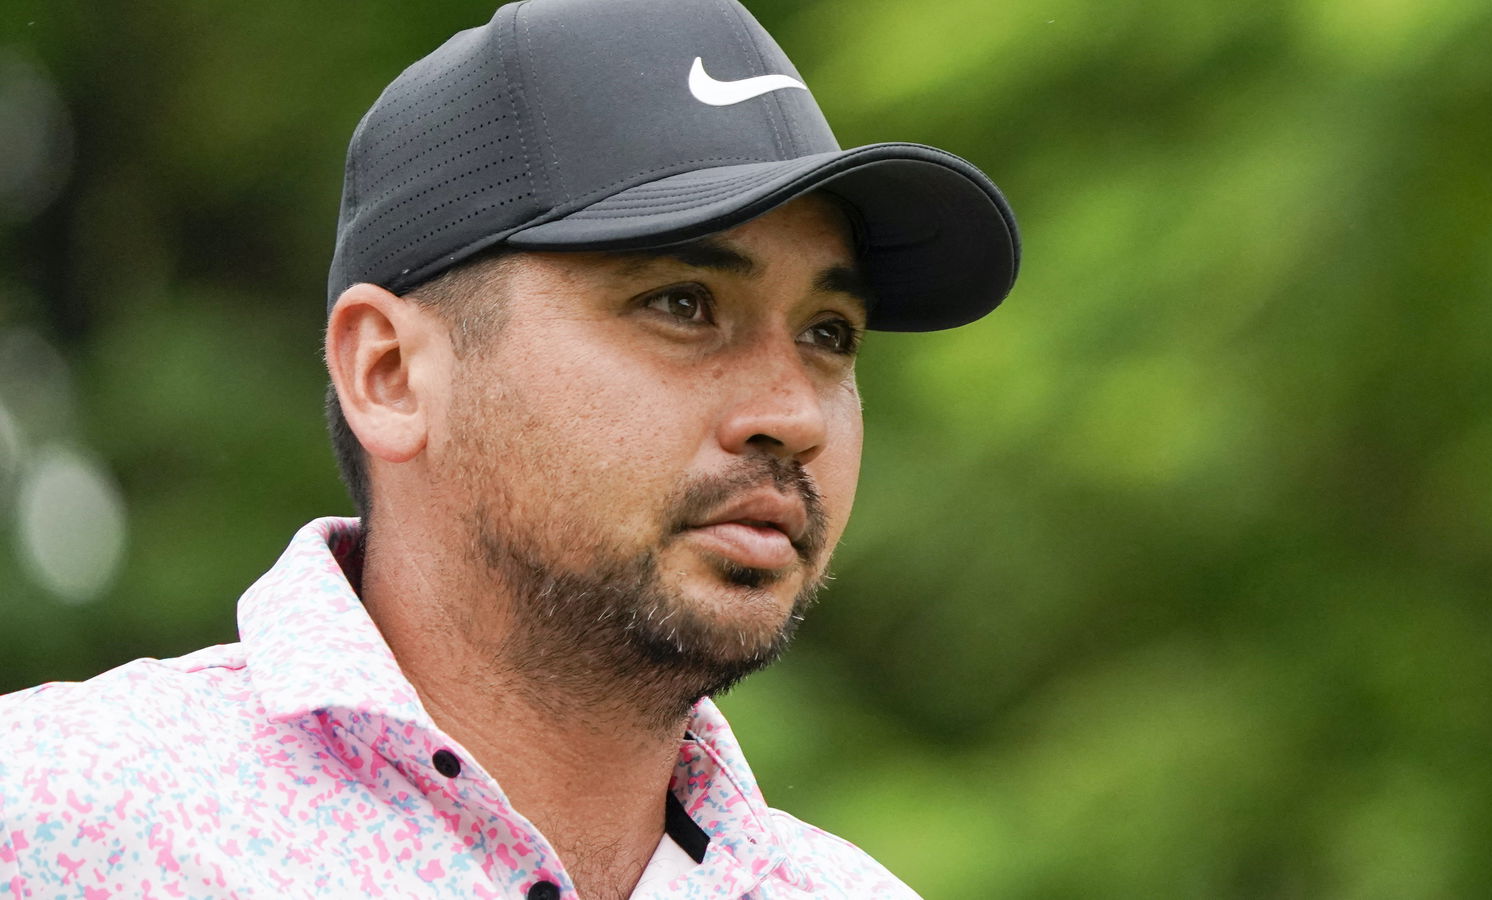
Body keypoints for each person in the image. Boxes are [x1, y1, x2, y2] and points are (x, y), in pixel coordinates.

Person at [0, 0, 1018, 897]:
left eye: (829, 333)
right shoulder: (56, 821)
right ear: (390, 374)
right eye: (682, 303)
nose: (792, 414)